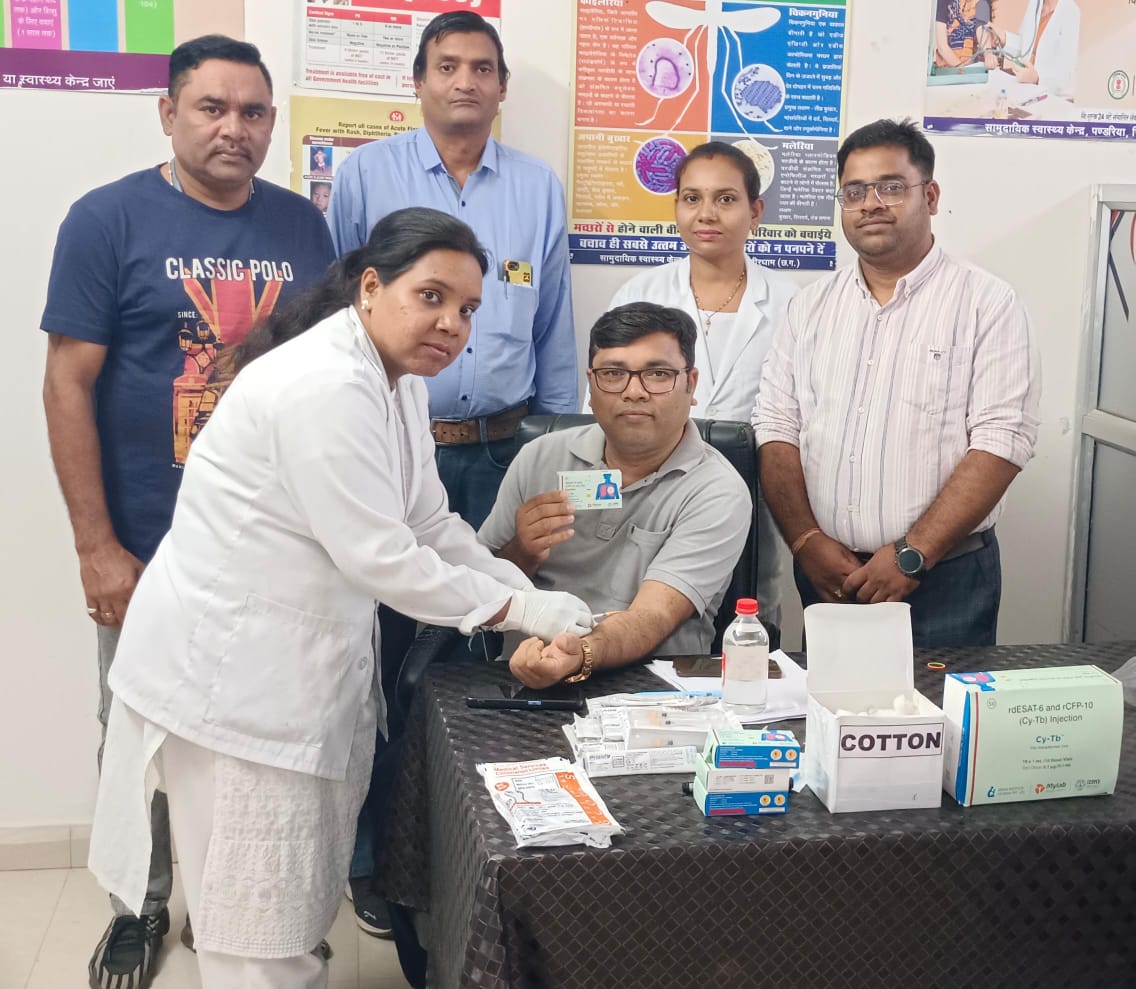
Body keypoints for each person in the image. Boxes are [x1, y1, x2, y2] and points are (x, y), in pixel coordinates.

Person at [85, 207, 593, 989]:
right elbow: (382, 557)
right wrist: (523, 612)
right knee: (252, 931)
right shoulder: (324, 384)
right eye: (431, 296)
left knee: (283, 912)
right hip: (233, 687)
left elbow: (429, 523)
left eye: (467, 309)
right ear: (371, 286)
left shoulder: (397, 381)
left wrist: (523, 591)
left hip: (283, 674)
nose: (451, 323)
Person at [40, 34, 336, 989]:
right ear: (168, 113)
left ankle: (234, 902)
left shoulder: (303, 228)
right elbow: (66, 384)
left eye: (252, 112)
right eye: (211, 107)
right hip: (148, 540)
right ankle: (140, 906)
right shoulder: (106, 219)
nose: (232, 128)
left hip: (275, 542)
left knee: (257, 730)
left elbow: (326, 382)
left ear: (272, 123)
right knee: (141, 731)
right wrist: (95, 544)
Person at [754, 119, 1040, 648]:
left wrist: (914, 553)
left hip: (944, 579)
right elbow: (776, 427)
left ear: (930, 196)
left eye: (890, 187)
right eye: (854, 191)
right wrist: (805, 540)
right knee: (829, 701)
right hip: (829, 574)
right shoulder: (809, 307)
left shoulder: (986, 303)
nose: (871, 204)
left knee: (941, 705)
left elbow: (1003, 441)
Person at [327, 9, 576, 528]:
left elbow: (553, 327)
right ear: (418, 82)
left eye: (483, 69)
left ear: (502, 87)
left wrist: (557, 442)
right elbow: (337, 311)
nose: (466, 82)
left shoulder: (538, 188)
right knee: (385, 580)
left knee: (500, 578)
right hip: (390, 442)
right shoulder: (365, 174)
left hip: (504, 452)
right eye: (447, 67)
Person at [480, 302, 752, 689]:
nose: (634, 392)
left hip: (657, 688)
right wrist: (521, 551)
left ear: (691, 384)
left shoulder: (718, 490)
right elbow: (480, 586)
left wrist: (579, 653)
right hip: (525, 676)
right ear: (591, 386)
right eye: (613, 374)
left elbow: (653, 617)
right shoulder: (539, 457)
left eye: (657, 374)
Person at [607, 141, 796, 629]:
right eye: (691, 198)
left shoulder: (792, 303)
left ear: (755, 211)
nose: (706, 213)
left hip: (754, 493)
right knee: (646, 617)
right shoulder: (640, 294)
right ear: (676, 207)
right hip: (649, 489)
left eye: (725, 199)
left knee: (747, 621)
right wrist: (599, 503)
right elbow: (601, 409)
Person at [987, 0, 1080, 100]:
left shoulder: (1070, 11)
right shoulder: (1035, 3)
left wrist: (1037, 78)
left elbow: (1065, 74)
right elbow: (1025, 47)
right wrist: (1004, 38)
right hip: (1030, 91)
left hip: (1055, 98)